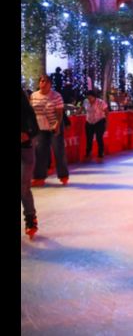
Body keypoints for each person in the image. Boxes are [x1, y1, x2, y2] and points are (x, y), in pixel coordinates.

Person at [30, 75, 69, 186]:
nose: (44, 83)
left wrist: (57, 124)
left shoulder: (56, 96)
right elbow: (31, 111)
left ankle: (63, 176)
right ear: (39, 83)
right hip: (40, 127)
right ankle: (39, 177)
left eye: (46, 82)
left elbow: (60, 113)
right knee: (40, 152)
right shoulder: (34, 95)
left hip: (54, 125)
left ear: (50, 84)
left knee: (58, 150)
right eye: (42, 81)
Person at [21, 88, 40, 239]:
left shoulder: (27, 112)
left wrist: (27, 134)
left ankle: (30, 218)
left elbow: (35, 130)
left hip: (25, 151)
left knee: (23, 186)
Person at [83, 90, 109, 161]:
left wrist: (107, 123)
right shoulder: (85, 101)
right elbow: (83, 108)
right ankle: (88, 154)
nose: (89, 99)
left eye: (90, 98)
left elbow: (106, 112)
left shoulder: (100, 102)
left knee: (99, 138)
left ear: (94, 97)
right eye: (88, 98)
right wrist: (77, 112)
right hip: (89, 121)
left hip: (99, 121)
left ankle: (100, 154)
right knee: (89, 138)